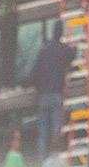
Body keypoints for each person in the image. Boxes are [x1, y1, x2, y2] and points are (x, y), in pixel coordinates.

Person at [28, 18, 73, 159]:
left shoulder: (44, 49)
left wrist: (39, 89)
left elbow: (33, 73)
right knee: (55, 131)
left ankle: (42, 163)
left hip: (44, 95)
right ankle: (54, 160)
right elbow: (72, 55)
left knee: (42, 132)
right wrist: (74, 47)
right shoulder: (62, 49)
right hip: (56, 95)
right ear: (61, 33)